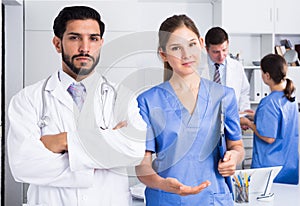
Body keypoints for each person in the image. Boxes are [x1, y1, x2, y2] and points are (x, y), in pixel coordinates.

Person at [7, 6, 144, 205]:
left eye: (93, 39)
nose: (85, 48)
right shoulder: (28, 99)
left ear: (101, 43)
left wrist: (64, 141)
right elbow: (23, 165)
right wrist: (105, 149)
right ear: (57, 43)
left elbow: (135, 150)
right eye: (74, 38)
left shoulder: (122, 97)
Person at [135, 15, 245, 205]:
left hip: (214, 197)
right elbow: (142, 166)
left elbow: (237, 146)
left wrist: (233, 158)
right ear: (163, 54)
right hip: (167, 199)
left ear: (201, 43)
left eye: (191, 44)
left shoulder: (224, 96)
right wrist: (162, 184)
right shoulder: (147, 101)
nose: (186, 54)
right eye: (176, 48)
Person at [242, 54, 299, 185]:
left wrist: (248, 123)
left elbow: (268, 137)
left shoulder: (268, 103)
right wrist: (258, 116)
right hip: (289, 168)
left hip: (269, 170)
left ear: (267, 76)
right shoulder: (291, 98)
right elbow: (282, 122)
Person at [202, 27, 253, 128]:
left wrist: (244, 111)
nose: (221, 56)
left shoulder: (237, 66)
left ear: (228, 44)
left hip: (231, 122)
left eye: (224, 50)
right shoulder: (197, 68)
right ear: (207, 49)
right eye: (216, 52)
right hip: (206, 124)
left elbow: (244, 92)